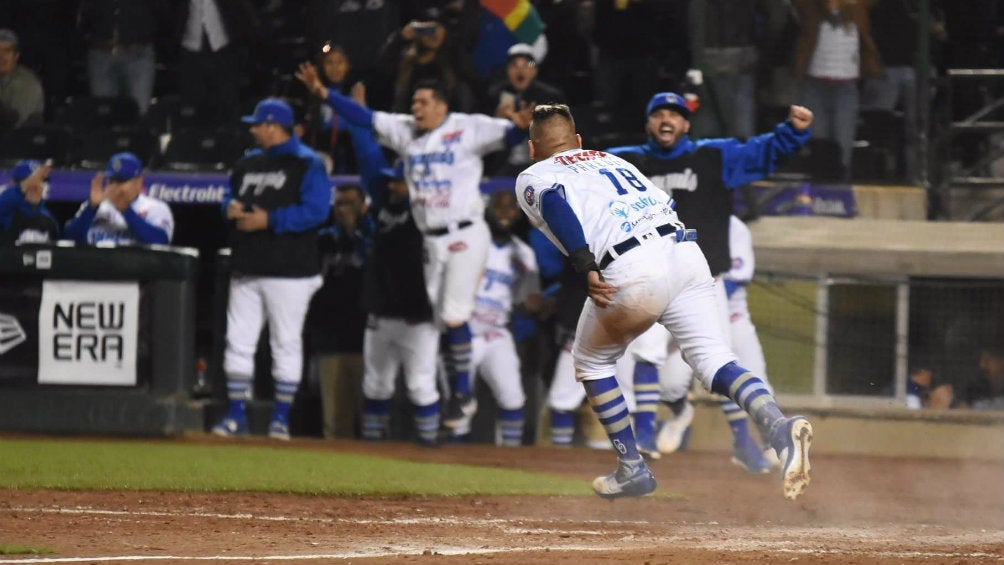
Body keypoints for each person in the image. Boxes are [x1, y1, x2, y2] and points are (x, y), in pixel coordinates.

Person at [514, 103, 813, 501]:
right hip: (685, 253)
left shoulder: (535, 173)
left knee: (592, 361)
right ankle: (777, 427)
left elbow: (554, 204)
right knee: (713, 358)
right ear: (579, 141)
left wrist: (585, 263)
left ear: (533, 148)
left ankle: (632, 467)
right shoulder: (612, 160)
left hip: (631, 267)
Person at [295, 63, 533, 431]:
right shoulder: (406, 131)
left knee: (454, 316)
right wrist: (327, 95)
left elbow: (512, 136)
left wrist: (519, 128)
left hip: (465, 232)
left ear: (441, 106)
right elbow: (363, 116)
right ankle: (460, 391)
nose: (416, 108)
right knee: (445, 320)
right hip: (432, 240)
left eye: (422, 102)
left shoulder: (467, 128)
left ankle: (463, 394)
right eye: (414, 102)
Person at [606, 93, 812, 473]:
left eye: (676, 115)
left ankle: (744, 441)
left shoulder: (712, 156)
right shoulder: (626, 161)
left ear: (687, 124)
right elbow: (583, 173)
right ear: (648, 122)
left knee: (718, 361)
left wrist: (793, 132)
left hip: (702, 279)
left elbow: (761, 152)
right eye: (659, 114)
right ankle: (646, 436)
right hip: (648, 275)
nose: (667, 120)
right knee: (653, 359)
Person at [211, 98, 331, 441]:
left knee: (285, 343)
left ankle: (280, 419)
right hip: (248, 265)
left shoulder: (307, 163)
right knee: (238, 342)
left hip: (290, 270)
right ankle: (236, 415)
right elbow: (226, 197)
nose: (252, 129)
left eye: (257, 124)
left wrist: (270, 219)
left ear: (274, 127)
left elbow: (317, 211)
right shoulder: (247, 163)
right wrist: (229, 210)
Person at [448, 189, 540, 446]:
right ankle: (454, 466)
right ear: (488, 210)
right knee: (460, 408)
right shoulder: (470, 243)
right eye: (499, 207)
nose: (504, 213)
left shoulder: (524, 254)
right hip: (463, 333)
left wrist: (535, 304)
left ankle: (509, 462)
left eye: (511, 208)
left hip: (496, 333)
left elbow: (526, 300)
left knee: (513, 398)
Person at [306, 183, 372, 439]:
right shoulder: (322, 240)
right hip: (330, 338)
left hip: (366, 340)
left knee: (371, 419)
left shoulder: (375, 236)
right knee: (335, 422)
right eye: (339, 204)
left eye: (350, 203)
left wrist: (356, 233)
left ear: (363, 206)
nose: (344, 209)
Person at [792, 0, 882, 177]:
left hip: (846, 84)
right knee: (818, 141)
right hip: (815, 81)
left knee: (843, 141)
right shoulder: (812, 7)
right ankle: (819, 184)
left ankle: (841, 184)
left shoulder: (857, 7)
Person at [485, 43, 566, 176]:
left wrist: (534, 126)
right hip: (504, 163)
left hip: (541, 164)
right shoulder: (495, 95)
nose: (520, 71)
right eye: (514, 66)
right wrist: (497, 120)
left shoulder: (550, 96)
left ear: (534, 70)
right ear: (507, 71)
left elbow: (561, 135)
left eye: (525, 66)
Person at [64, 152, 174, 245]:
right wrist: (91, 208)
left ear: (138, 182)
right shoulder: (94, 206)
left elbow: (160, 242)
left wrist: (125, 210)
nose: (115, 186)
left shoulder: (156, 207)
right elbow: (70, 240)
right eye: (111, 180)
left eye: (121, 181)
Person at [77, 0, 165, 115]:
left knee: (139, 115)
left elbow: (162, 12)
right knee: (103, 116)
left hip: (139, 52)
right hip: (101, 52)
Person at [0, 159, 58, 244]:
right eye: (29, 183)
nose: (34, 187)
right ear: (13, 184)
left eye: (41, 182)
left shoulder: (49, 218)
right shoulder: (5, 210)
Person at [0, 28, 43, 129]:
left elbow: (17, 124)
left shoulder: (27, 83)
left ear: (16, 56)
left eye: (7, 51)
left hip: (17, 141)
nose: (1, 56)